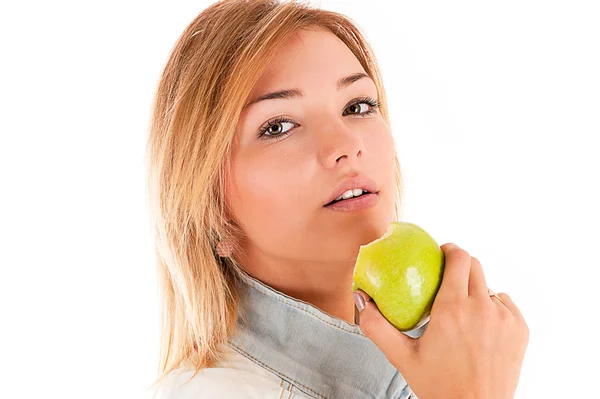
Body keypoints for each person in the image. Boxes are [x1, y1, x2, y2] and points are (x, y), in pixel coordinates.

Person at [144, 0, 529, 398]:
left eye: (357, 106)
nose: (347, 143)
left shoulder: (452, 365)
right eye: (278, 126)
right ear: (210, 208)